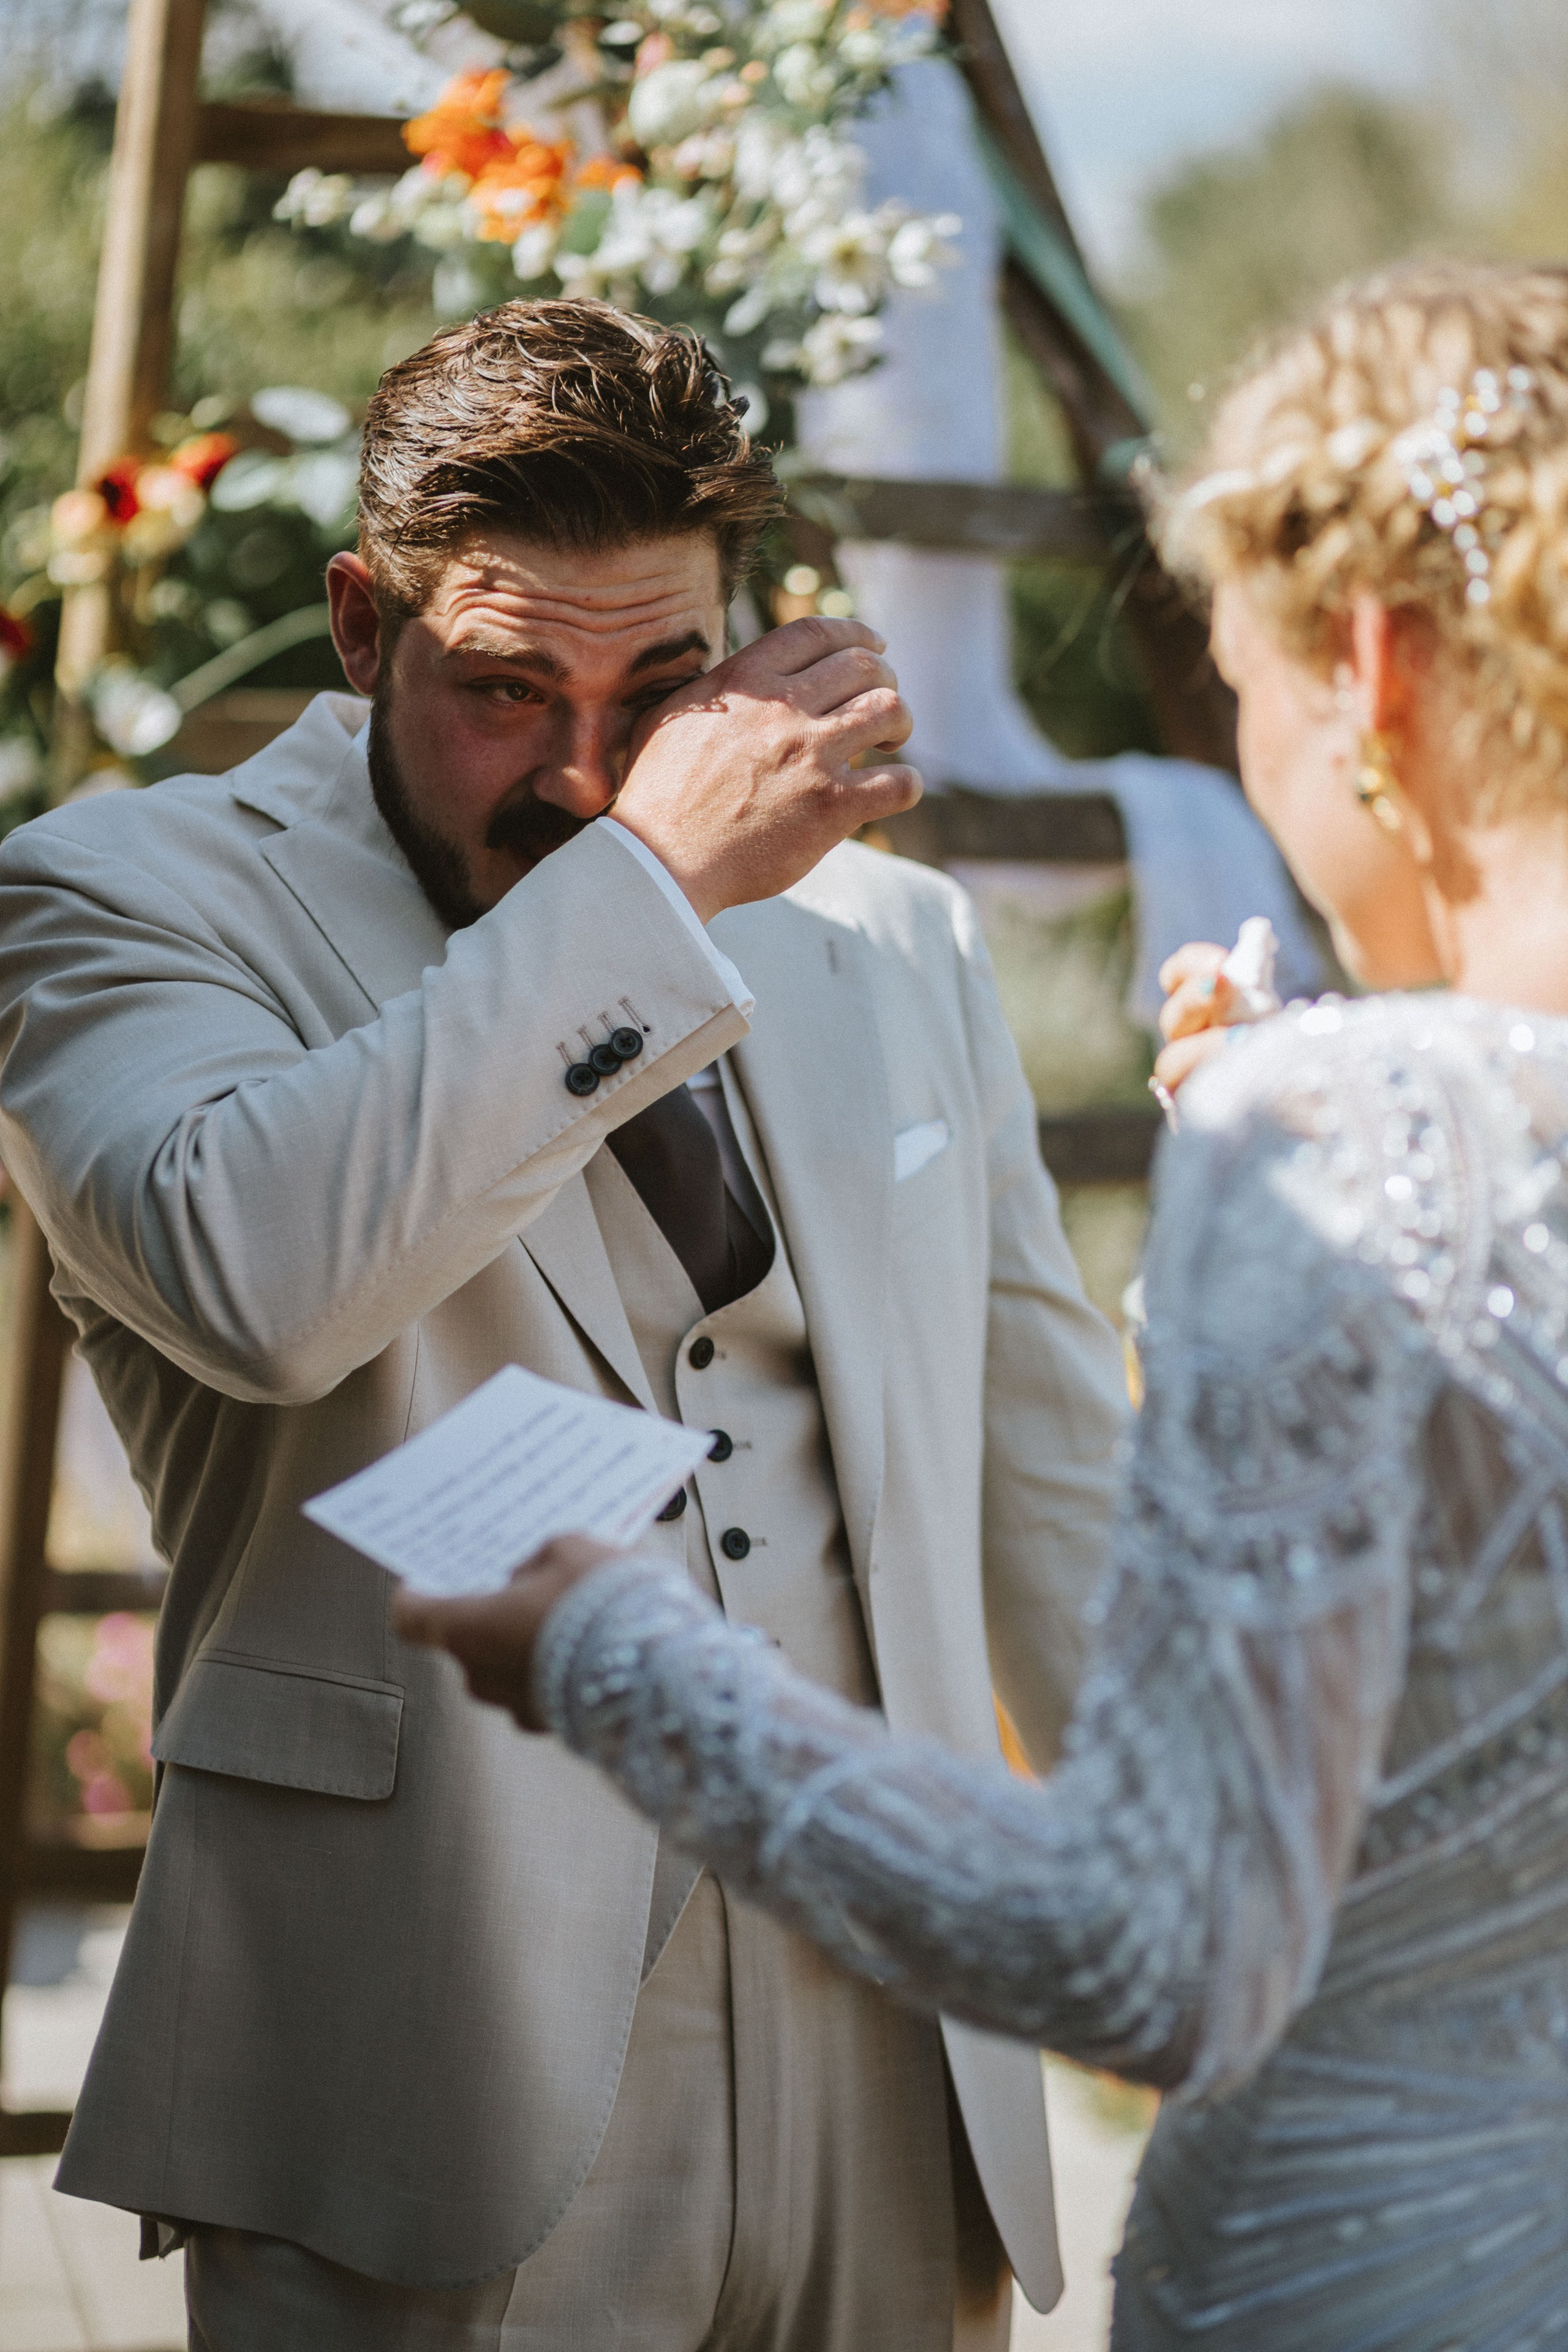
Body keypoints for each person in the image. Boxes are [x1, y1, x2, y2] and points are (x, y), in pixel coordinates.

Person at [398, 260, 1568, 2352]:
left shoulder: (1350, 1130)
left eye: (1243, 690)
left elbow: (1162, 1957)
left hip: (1378, 2267)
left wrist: (622, 1662)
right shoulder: (1408, 1127)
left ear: (1372, 668)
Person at [0, 299, 1128, 2347]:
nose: (594, 778)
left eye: (660, 688)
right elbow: (260, 1281)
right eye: (508, 693)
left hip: (891, 2011)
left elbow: (1042, 1464)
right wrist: (658, 894)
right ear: (362, 632)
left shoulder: (901, 932)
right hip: (426, 2028)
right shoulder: (118, 896)